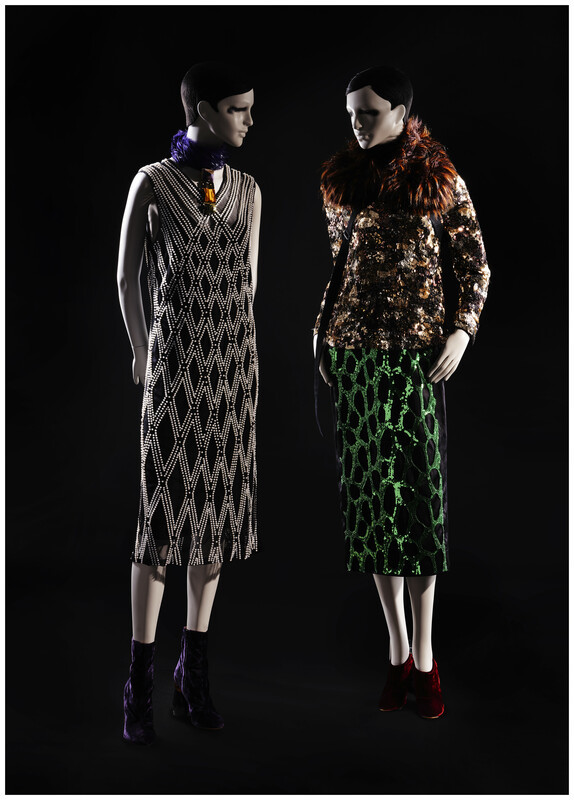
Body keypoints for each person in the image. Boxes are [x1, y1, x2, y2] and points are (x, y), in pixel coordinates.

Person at [313, 65, 489, 719]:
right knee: (371, 508)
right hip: (354, 356)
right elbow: (340, 265)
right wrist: (321, 330)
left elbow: (474, 261)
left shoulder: (437, 178)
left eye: (369, 112)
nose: (358, 125)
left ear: (401, 113)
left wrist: (461, 331)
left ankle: (427, 656)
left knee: (418, 508)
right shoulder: (341, 181)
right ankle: (396, 654)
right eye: (351, 114)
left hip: (415, 359)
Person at [117, 61, 261, 744]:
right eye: (237, 109)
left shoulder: (250, 190)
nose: (249, 121)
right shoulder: (152, 181)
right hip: (174, 369)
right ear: (203, 110)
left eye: (250, 108)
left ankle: (191, 675)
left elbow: (250, 282)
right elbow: (126, 277)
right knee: (162, 523)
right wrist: (142, 351)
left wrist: (235, 353)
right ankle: (139, 681)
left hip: (232, 373)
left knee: (218, 523)